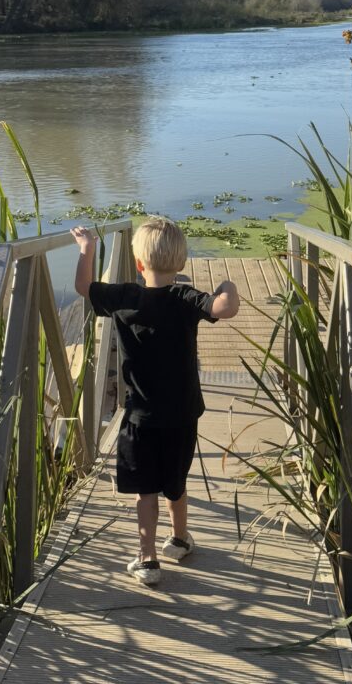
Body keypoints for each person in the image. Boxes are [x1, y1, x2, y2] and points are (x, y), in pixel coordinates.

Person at [71, 217, 239, 586]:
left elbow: (83, 286)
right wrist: (226, 283)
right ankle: (180, 540)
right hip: (182, 414)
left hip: (138, 417)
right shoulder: (185, 297)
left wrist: (88, 249)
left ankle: (147, 560)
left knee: (145, 489)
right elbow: (225, 308)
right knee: (175, 482)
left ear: (138, 264)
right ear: (179, 264)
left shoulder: (124, 296)